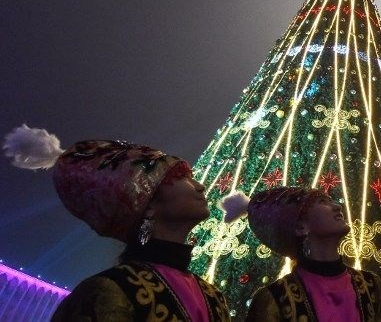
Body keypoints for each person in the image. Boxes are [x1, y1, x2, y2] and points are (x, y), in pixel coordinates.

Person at [3, 125, 230, 321]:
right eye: (183, 179)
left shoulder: (213, 296)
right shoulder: (107, 292)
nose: (200, 186)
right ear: (145, 201)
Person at [221, 187, 381, 321]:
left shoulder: (370, 284)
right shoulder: (275, 300)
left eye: (331, 201)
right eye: (323, 202)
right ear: (301, 227)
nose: (337, 206)